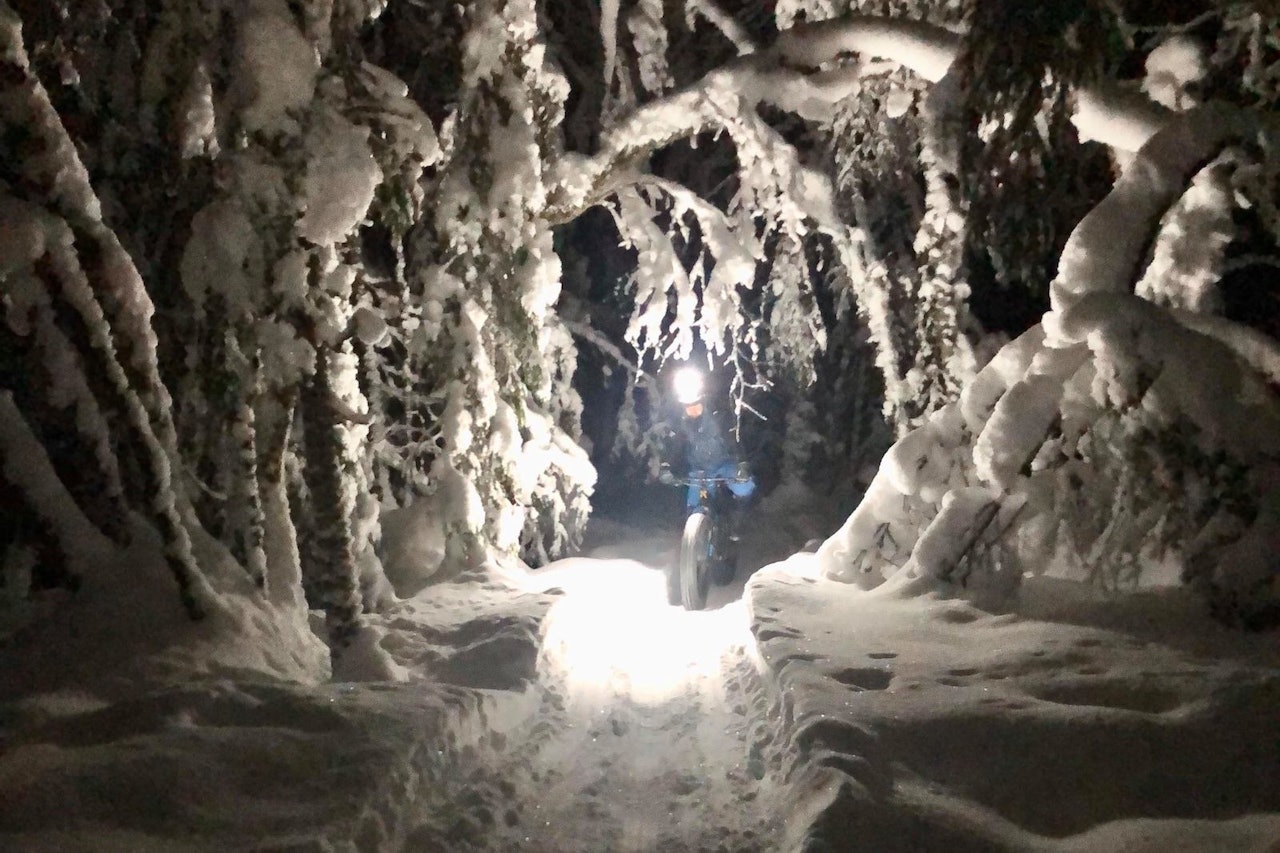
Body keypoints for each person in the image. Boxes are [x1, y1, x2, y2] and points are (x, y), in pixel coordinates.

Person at [659, 366, 756, 567]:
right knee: (693, 509)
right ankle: (698, 549)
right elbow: (676, 447)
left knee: (744, 486)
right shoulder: (682, 424)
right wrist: (667, 467)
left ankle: (737, 525)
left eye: (696, 406)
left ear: (703, 401)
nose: (692, 411)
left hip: (723, 465)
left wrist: (741, 463)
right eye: (688, 407)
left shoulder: (719, 417)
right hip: (699, 471)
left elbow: (733, 440)